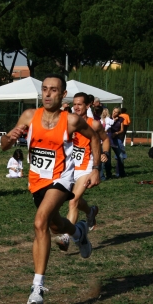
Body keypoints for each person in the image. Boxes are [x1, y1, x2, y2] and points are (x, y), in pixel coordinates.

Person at [0, 74, 101, 304]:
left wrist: (95, 168)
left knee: (40, 222)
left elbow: (94, 137)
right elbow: (4, 145)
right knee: (55, 225)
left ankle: (38, 286)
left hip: (61, 178)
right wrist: (9, 137)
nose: (47, 94)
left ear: (63, 94)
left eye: (53, 90)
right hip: (37, 180)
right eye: (44, 89)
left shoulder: (71, 121)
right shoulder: (29, 116)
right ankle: (79, 233)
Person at [54, 93, 109, 252]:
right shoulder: (68, 121)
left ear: (88, 106)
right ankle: (91, 211)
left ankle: (66, 236)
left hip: (86, 167)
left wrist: (105, 153)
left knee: (73, 201)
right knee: (75, 200)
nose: (76, 107)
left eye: (80, 104)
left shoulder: (94, 124)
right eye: (74, 104)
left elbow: (105, 140)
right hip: (69, 167)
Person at [106, 107, 127, 177]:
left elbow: (122, 130)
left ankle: (120, 173)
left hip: (116, 139)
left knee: (120, 156)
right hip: (108, 139)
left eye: (116, 112)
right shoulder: (108, 118)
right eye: (113, 111)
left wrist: (116, 133)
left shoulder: (120, 119)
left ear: (119, 113)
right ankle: (108, 174)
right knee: (107, 157)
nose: (114, 113)